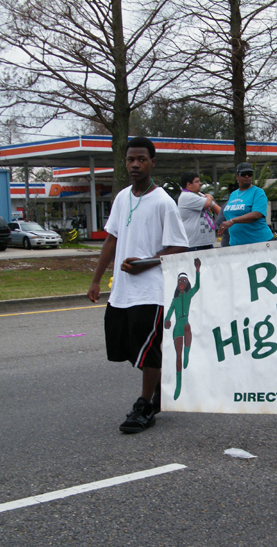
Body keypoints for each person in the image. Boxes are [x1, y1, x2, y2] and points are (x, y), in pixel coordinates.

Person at [88, 136, 189, 434]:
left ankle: (145, 406)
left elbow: (179, 247)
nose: (135, 164)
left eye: (141, 159)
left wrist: (145, 263)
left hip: (152, 290)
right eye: (130, 159)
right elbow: (111, 239)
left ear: (152, 162)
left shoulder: (163, 202)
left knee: (148, 351)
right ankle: (160, 393)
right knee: (130, 347)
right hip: (123, 291)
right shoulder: (122, 197)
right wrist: (96, 279)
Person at [164, 258, 201, 401]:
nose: (181, 284)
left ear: (187, 284)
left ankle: (188, 352)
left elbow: (197, 287)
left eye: (183, 282)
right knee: (177, 357)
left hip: (185, 324)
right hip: (177, 328)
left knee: (187, 326)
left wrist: (197, 270)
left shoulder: (188, 296)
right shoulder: (175, 300)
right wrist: (167, 320)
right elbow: (169, 313)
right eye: (179, 282)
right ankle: (178, 385)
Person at [218, 163, 272, 245]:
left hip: (259, 242)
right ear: (237, 176)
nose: (247, 176)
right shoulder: (233, 194)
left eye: (249, 174)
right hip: (236, 244)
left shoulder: (258, 192)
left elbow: (256, 214)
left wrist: (232, 221)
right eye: (243, 174)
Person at [178, 172, 221, 251]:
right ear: (189, 184)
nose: (200, 184)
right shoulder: (186, 196)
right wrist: (209, 196)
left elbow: (219, 211)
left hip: (206, 243)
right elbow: (208, 203)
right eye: (197, 182)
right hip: (195, 245)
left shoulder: (199, 195)